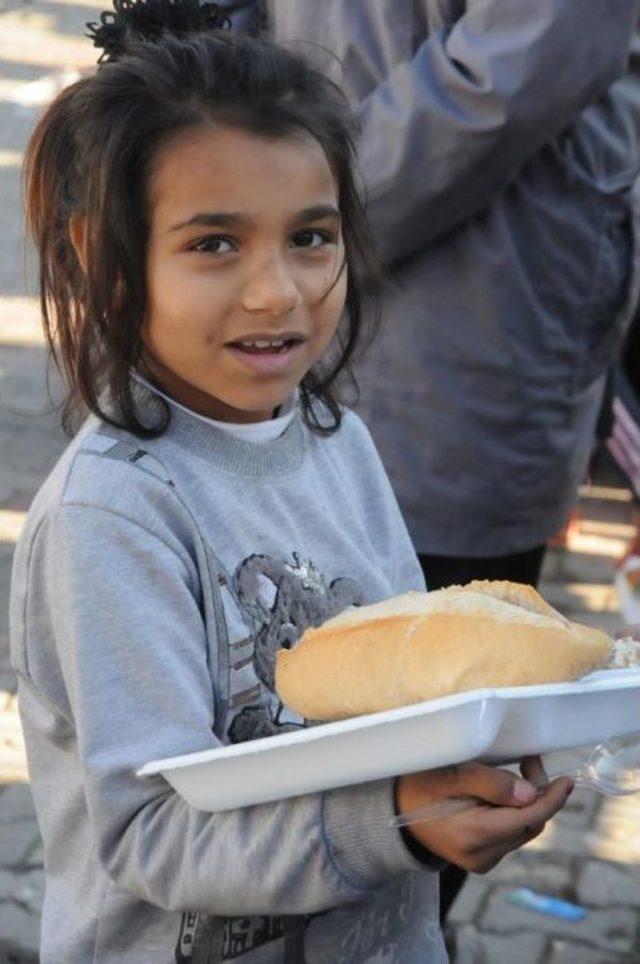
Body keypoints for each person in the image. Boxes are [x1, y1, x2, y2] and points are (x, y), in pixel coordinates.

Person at [9, 2, 573, 961]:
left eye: (310, 237)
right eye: (214, 244)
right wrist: (396, 823)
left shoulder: (337, 437)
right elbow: (148, 833)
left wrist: (479, 756)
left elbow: (406, 700)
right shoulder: (117, 511)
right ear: (104, 261)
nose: (278, 290)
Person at [252, 0, 640, 918]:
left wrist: (290, 208)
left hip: (463, 327)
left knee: (439, 777)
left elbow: (519, 62)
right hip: (292, 312)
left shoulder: (286, 227)